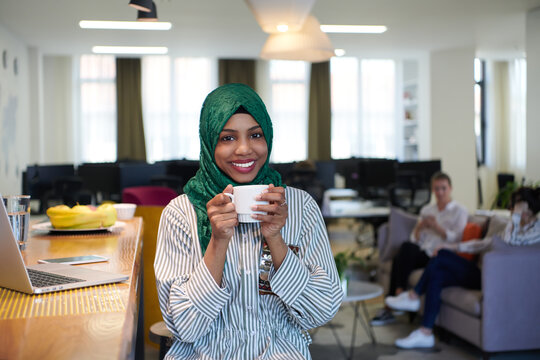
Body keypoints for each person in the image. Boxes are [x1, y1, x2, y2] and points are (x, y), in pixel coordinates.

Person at [154, 83, 343, 359]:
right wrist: (218, 242)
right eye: (228, 138)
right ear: (209, 143)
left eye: (255, 135)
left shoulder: (300, 207)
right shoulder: (180, 213)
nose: (244, 149)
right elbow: (185, 327)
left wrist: (276, 240)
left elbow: (320, 311)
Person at [385, 186, 540, 349]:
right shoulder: (512, 225)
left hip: (495, 280)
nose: (511, 209)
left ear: (526, 207)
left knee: (441, 257)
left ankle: (413, 295)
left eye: (515, 205)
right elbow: (485, 244)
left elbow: (511, 246)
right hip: (485, 274)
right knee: (438, 272)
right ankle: (425, 332)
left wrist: (516, 217)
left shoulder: (536, 229)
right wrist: (453, 247)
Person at [371, 172, 468, 325]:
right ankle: (397, 297)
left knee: (403, 254)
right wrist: (420, 228)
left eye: (443, 188)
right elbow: (414, 239)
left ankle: (394, 302)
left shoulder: (459, 211)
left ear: (450, 188)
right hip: (424, 251)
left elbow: (457, 238)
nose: (440, 192)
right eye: (436, 189)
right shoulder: (427, 210)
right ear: (432, 190)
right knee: (404, 250)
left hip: (440, 254)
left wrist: (437, 227)